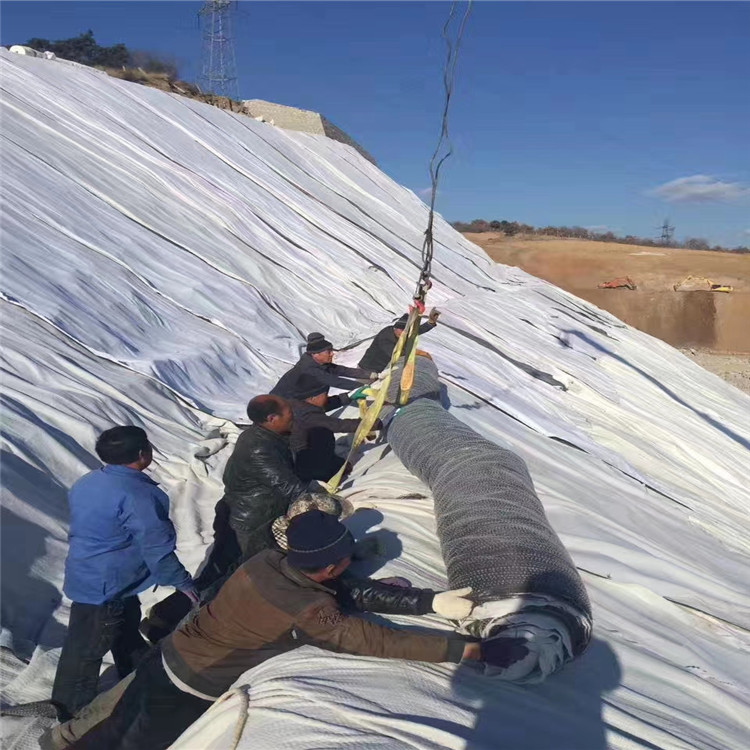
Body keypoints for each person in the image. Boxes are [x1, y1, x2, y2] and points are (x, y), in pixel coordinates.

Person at [68, 511, 500, 750]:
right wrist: (466, 650)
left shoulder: (269, 561)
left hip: (170, 652)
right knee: (135, 743)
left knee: (111, 722)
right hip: (192, 682)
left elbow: (345, 591)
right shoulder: (307, 609)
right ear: (330, 566)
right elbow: (376, 639)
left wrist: (428, 601)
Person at [51, 426, 196, 721]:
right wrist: (183, 583)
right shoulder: (138, 495)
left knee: (125, 632)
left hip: (90, 572)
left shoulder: (88, 482)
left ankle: (142, 681)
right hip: (108, 585)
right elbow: (156, 546)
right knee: (86, 650)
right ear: (143, 455)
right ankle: (70, 715)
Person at [140, 394, 310, 644]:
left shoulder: (261, 436)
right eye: (289, 415)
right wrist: (323, 502)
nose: (293, 418)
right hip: (249, 522)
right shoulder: (260, 447)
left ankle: (163, 617)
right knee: (230, 578)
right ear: (271, 419)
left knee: (217, 573)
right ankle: (176, 626)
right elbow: (288, 485)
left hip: (240, 515)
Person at [290, 374, 373, 482]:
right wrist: (372, 423)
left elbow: (327, 404)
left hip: (309, 457)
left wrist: (348, 396)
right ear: (312, 397)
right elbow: (340, 425)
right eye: (325, 394)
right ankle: (330, 471)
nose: (328, 396)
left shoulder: (298, 404)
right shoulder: (308, 416)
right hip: (312, 466)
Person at [271, 332, 377, 399]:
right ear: (315, 354)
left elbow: (341, 370)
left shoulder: (318, 363)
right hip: (279, 404)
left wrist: (371, 375)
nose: (332, 354)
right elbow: (334, 381)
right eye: (328, 352)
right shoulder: (308, 368)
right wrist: (365, 388)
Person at [358, 309, 441, 373]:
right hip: (367, 370)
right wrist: (416, 353)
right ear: (395, 328)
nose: (403, 333)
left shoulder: (402, 334)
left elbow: (416, 331)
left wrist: (430, 323)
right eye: (401, 330)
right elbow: (395, 353)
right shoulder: (386, 336)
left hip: (382, 370)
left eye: (405, 331)